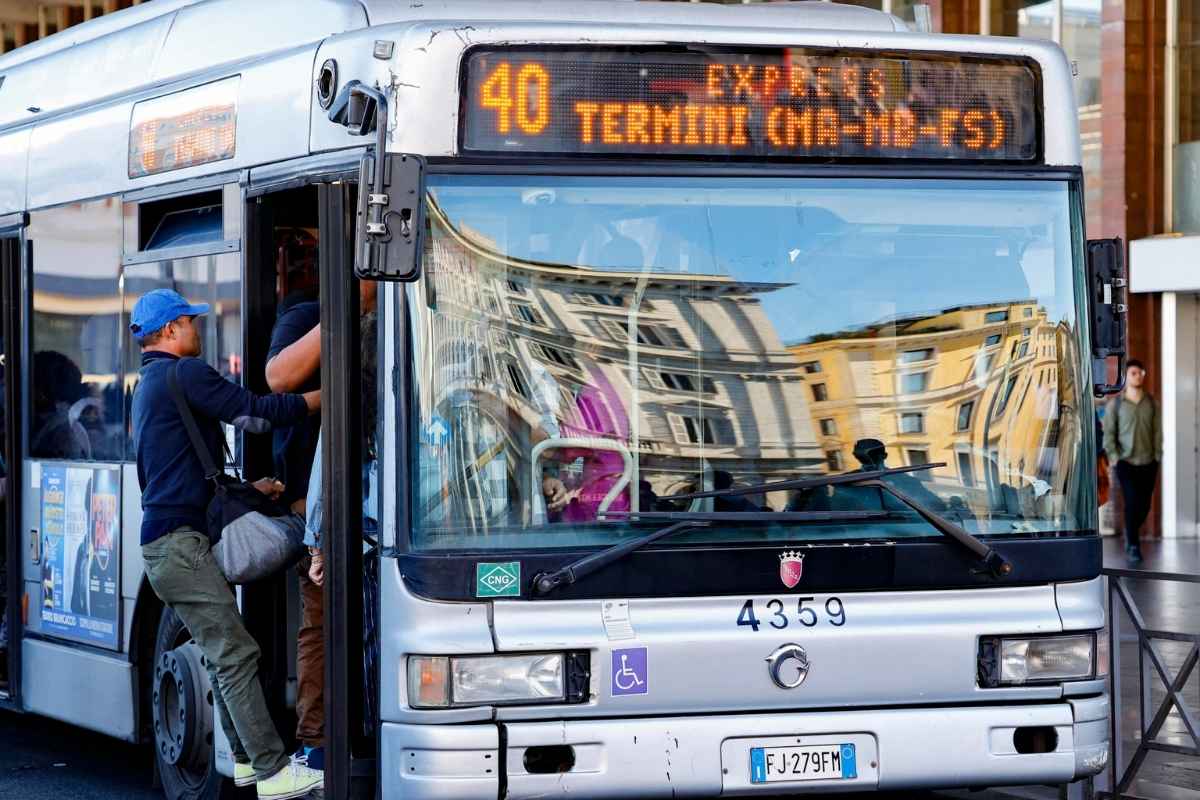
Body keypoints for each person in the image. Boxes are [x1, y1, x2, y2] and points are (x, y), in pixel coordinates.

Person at [129, 288, 322, 800]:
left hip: (165, 548)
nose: (198, 329)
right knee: (236, 654)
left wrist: (247, 490)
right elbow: (256, 414)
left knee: (220, 656)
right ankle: (274, 771)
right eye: (191, 322)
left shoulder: (146, 384)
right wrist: (327, 395)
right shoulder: (186, 373)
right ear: (170, 331)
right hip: (181, 548)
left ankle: (241, 762)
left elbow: (175, 473)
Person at [263, 231, 325, 772]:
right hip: (314, 503)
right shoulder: (306, 314)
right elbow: (277, 379)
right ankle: (316, 744)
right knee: (320, 622)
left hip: (390, 504)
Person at [1103, 359, 1162, 564]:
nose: (1137, 376)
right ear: (1127, 376)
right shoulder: (1115, 405)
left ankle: (1130, 532)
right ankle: (1133, 545)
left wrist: (1157, 456)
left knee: (1144, 506)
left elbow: (1157, 432)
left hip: (1148, 461)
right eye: (1134, 373)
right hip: (1125, 462)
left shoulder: (1152, 403)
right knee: (1131, 503)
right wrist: (1114, 456)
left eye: (1140, 373)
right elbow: (1109, 433)